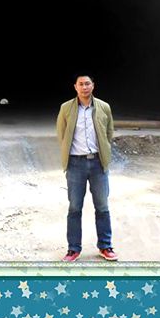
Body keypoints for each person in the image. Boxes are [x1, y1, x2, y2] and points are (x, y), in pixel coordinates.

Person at [56, 73, 117, 262]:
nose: (84, 87)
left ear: (93, 86)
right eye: (81, 84)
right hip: (75, 164)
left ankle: (105, 246)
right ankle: (73, 249)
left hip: (98, 163)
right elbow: (61, 134)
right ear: (75, 87)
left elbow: (109, 132)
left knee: (102, 206)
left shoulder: (104, 107)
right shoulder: (66, 108)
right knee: (75, 207)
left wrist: (104, 152)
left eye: (87, 83)